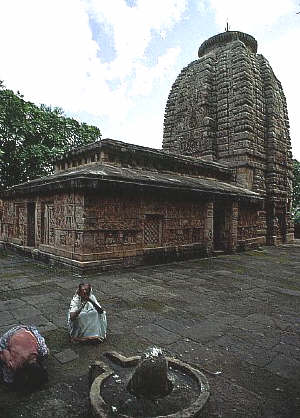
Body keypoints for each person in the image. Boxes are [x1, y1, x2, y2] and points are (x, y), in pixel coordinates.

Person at [0, 325, 49, 391]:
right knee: (8, 379)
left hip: (27, 330)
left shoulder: (43, 351)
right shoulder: (15, 363)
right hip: (9, 337)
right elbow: (8, 379)